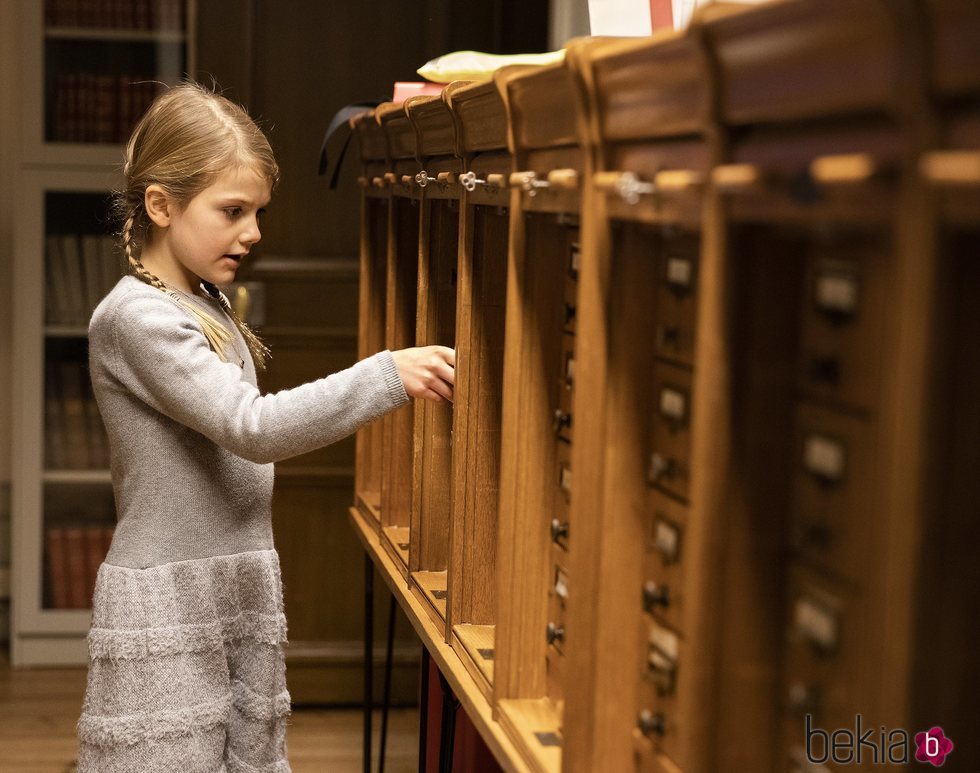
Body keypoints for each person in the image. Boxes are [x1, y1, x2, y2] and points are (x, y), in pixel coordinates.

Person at [75, 81, 454, 772]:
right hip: (172, 599)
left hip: (237, 582)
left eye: (257, 211)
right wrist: (385, 375)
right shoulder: (137, 319)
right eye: (232, 210)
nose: (253, 231)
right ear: (161, 204)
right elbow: (250, 426)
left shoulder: (202, 300)